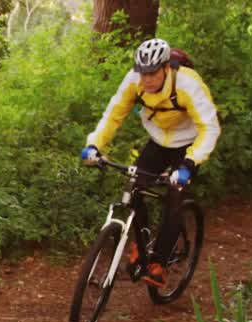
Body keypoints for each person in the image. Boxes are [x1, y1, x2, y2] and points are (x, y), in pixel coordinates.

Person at [81, 38, 220, 287]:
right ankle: (141, 245)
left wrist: (189, 164)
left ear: (166, 68)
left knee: (174, 196)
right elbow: (113, 115)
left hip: (188, 145)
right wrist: (94, 145)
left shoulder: (188, 84)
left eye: (153, 73)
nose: (146, 79)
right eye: (142, 73)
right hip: (157, 141)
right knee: (135, 188)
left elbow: (210, 128)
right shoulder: (134, 82)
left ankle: (159, 263)